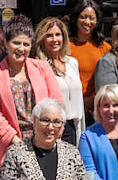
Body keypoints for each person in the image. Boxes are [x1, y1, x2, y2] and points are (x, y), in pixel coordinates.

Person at [0, 17, 65, 180]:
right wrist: (20, 145)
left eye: (26, 44)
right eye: (16, 43)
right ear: (6, 43)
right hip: (11, 147)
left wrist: (51, 137)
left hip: (45, 142)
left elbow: (57, 105)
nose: (21, 48)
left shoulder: (42, 67)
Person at [33, 16, 85, 144]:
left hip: (74, 127)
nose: (54, 39)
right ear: (42, 39)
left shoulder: (72, 62)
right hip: (53, 128)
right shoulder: (38, 66)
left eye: (58, 35)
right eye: (49, 35)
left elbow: (79, 101)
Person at [67, 0, 111, 115]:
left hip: (96, 110)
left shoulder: (105, 48)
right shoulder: (65, 46)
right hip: (70, 108)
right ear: (76, 18)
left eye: (92, 18)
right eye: (83, 17)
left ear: (97, 21)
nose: (87, 22)